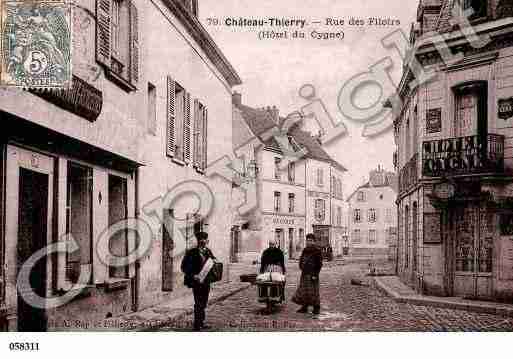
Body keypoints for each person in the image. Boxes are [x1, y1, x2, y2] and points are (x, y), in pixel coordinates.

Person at [181, 231, 216, 331]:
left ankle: (201, 322)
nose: (203, 242)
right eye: (201, 240)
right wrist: (193, 275)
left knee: (204, 302)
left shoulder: (208, 251)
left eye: (205, 240)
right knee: (198, 302)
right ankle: (197, 325)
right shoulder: (191, 252)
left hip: (206, 281)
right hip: (197, 282)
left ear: (207, 241)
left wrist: (214, 261)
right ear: (198, 241)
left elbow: (213, 261)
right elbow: (184, 267)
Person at [292, 233, 323, 315]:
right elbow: (301, 259)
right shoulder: (305, 250)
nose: (308, 242)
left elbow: (319, 264)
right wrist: (301, 265)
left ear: (314, 241)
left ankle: (316, 307)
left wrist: (315, 275)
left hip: (312, 274)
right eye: (307, 240)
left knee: (314, 291)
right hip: (304, 273)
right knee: (304, 291)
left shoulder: (317, 251)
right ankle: (304, 307)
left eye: (310, 240)